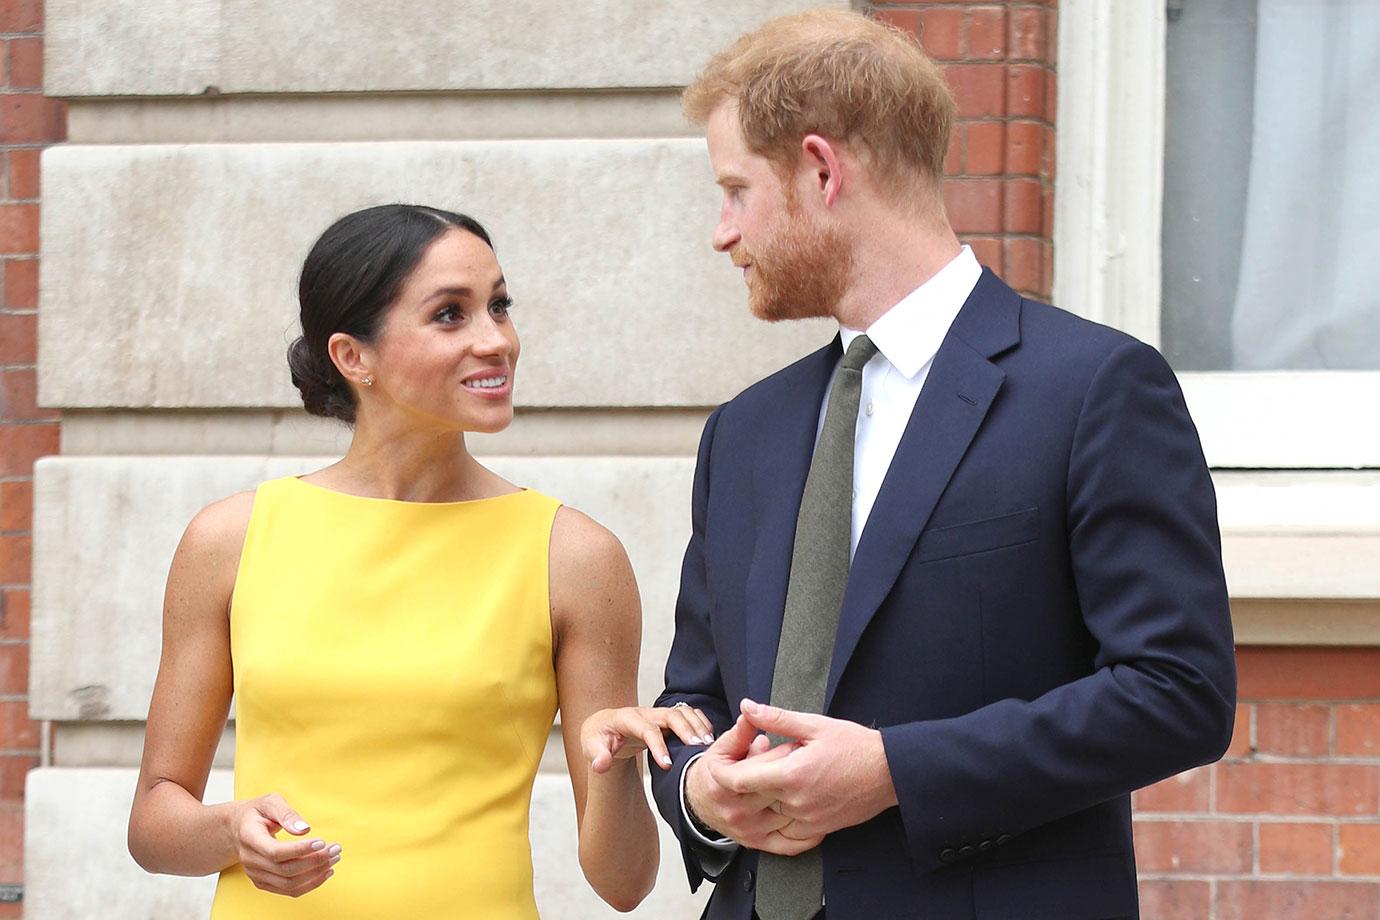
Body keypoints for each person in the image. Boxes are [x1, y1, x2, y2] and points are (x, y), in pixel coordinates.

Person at [650, 10, 1237, 920]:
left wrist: (895, 772)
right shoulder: (744, 433)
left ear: (820, 168)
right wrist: (699, 795)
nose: (723, 233)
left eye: (736, 190)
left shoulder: (1093, 389)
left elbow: (1178, 694)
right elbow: (690, 702)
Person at [126, 204, 717, 918]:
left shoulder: (574, 557)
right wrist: (231, 832)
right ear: (353, 357)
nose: (496, 339)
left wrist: (617, 766)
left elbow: (623, 885)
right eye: (450, 315)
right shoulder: (228, 541)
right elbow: (155, 821)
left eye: (499, 306)